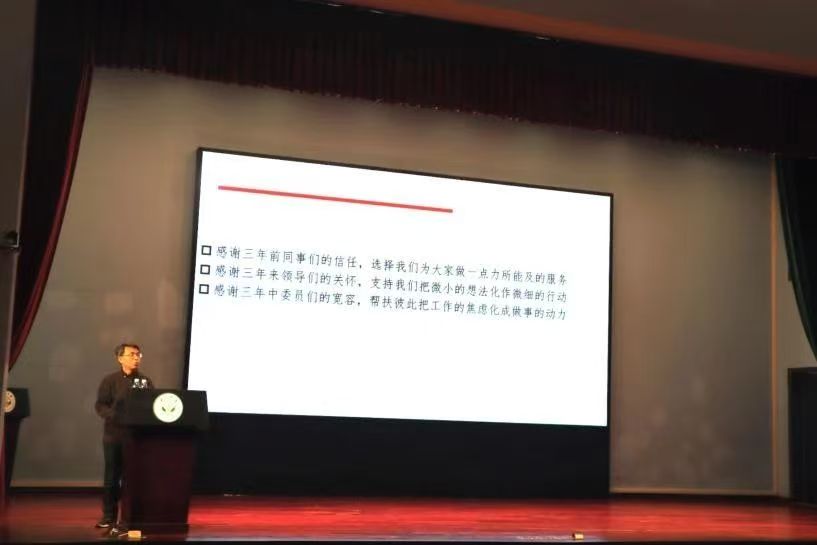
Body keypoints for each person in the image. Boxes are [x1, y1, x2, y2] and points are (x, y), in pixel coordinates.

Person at [94, 343, 154, 528]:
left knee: (134, 478)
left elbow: (152, 403)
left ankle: (131, 516)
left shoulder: (145, 381)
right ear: (120, 358)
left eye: (138, 355)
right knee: (112, 477)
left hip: (136, 437)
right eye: (132, 354)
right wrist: (115, 415)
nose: (136, 358)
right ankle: (108, 516)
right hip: (114, 436)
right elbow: (100, 405)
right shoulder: (110, 380)